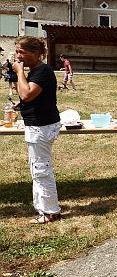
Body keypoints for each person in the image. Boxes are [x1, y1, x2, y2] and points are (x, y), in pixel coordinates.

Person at [12, 36, 62, 224]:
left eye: (21, 52)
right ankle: (44, 208)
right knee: (38, 169)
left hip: (41, 126)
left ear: (35, 53)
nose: (18, 56)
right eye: (17, 52)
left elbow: (26, 93)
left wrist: (19, 72)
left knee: (41, 170)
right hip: (37, 125)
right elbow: (28, 96)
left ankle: (51, 212)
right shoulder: (35, 71)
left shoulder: (42, 71)